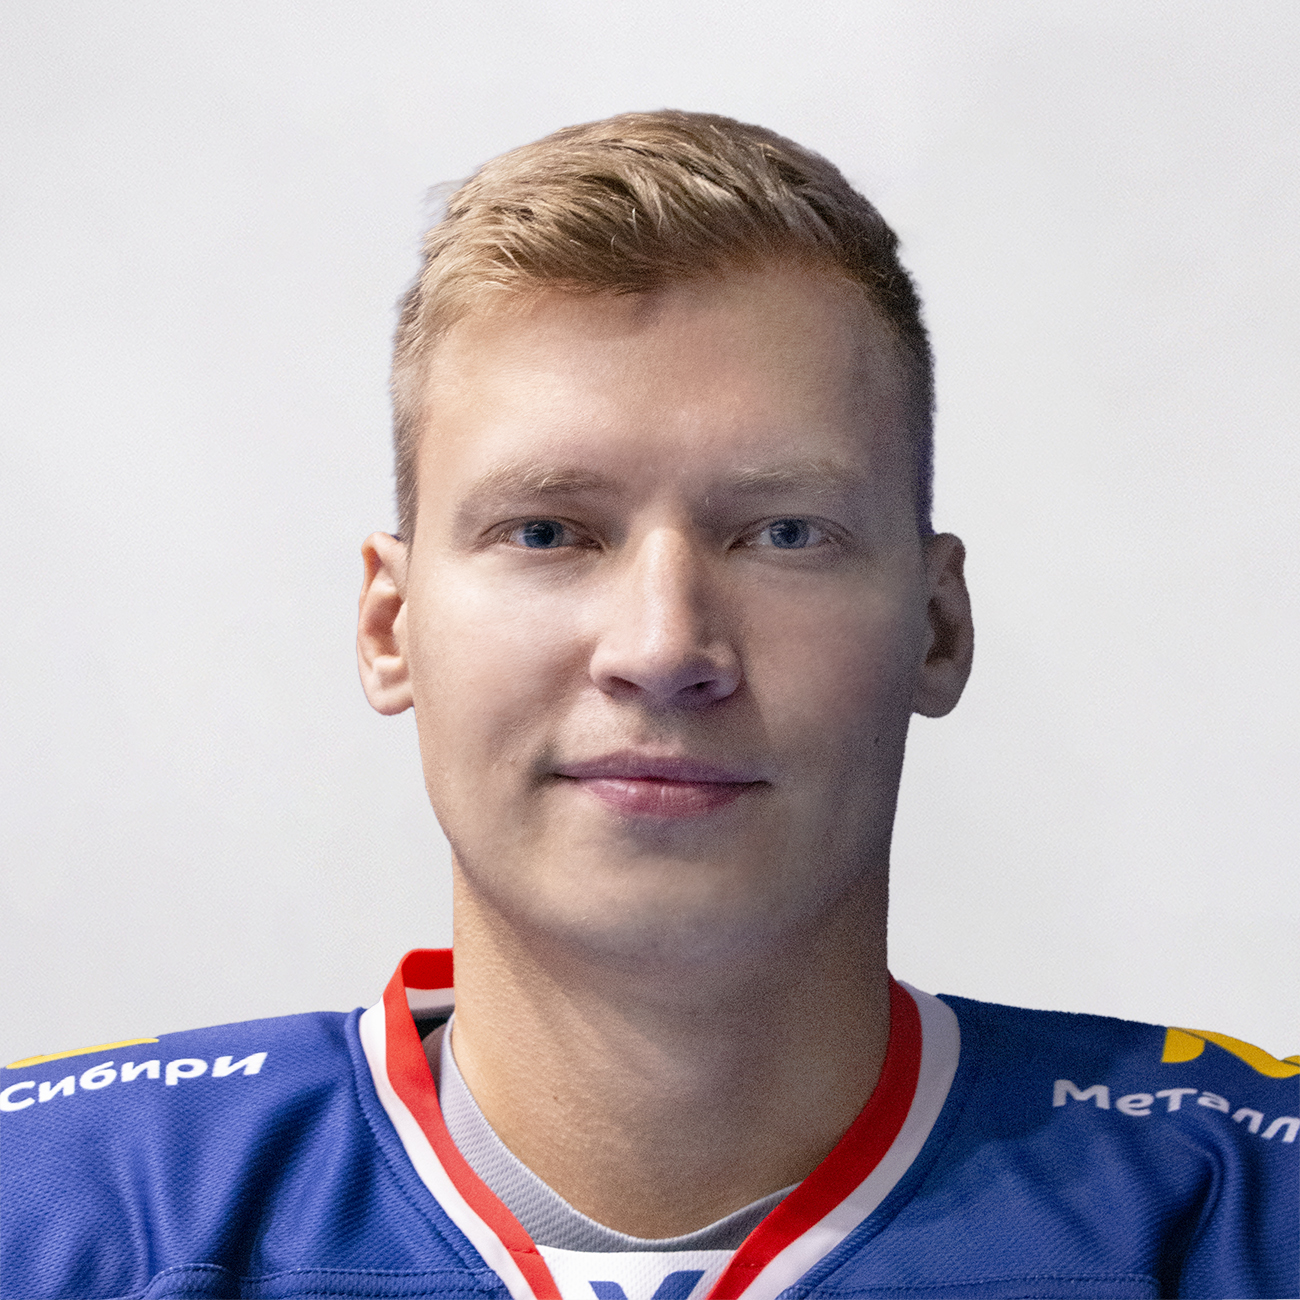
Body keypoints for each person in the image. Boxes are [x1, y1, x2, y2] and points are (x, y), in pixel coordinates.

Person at [1, 110, 1295, 1300]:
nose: (664, 647)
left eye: (785, 533)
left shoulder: (1251, 1210)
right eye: (547, 531)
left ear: (938, 627)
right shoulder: (55, 1217)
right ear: (391, 627)